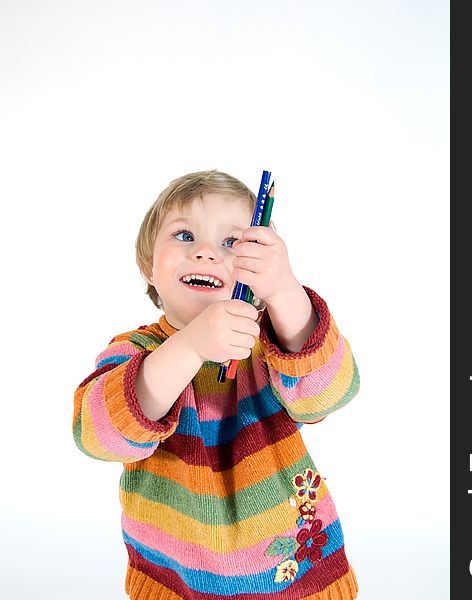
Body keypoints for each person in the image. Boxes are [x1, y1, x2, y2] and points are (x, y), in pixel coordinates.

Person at [73, 170, 360, 599]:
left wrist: (285, 291)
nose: (206, 252)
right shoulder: (136, 353)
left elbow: (329, 394)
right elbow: (97, 437)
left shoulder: (271, 343)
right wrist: (189, 347)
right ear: (148, 266)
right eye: (184, 235)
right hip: (177, 584)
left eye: (232, 243)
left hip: (294, 580)